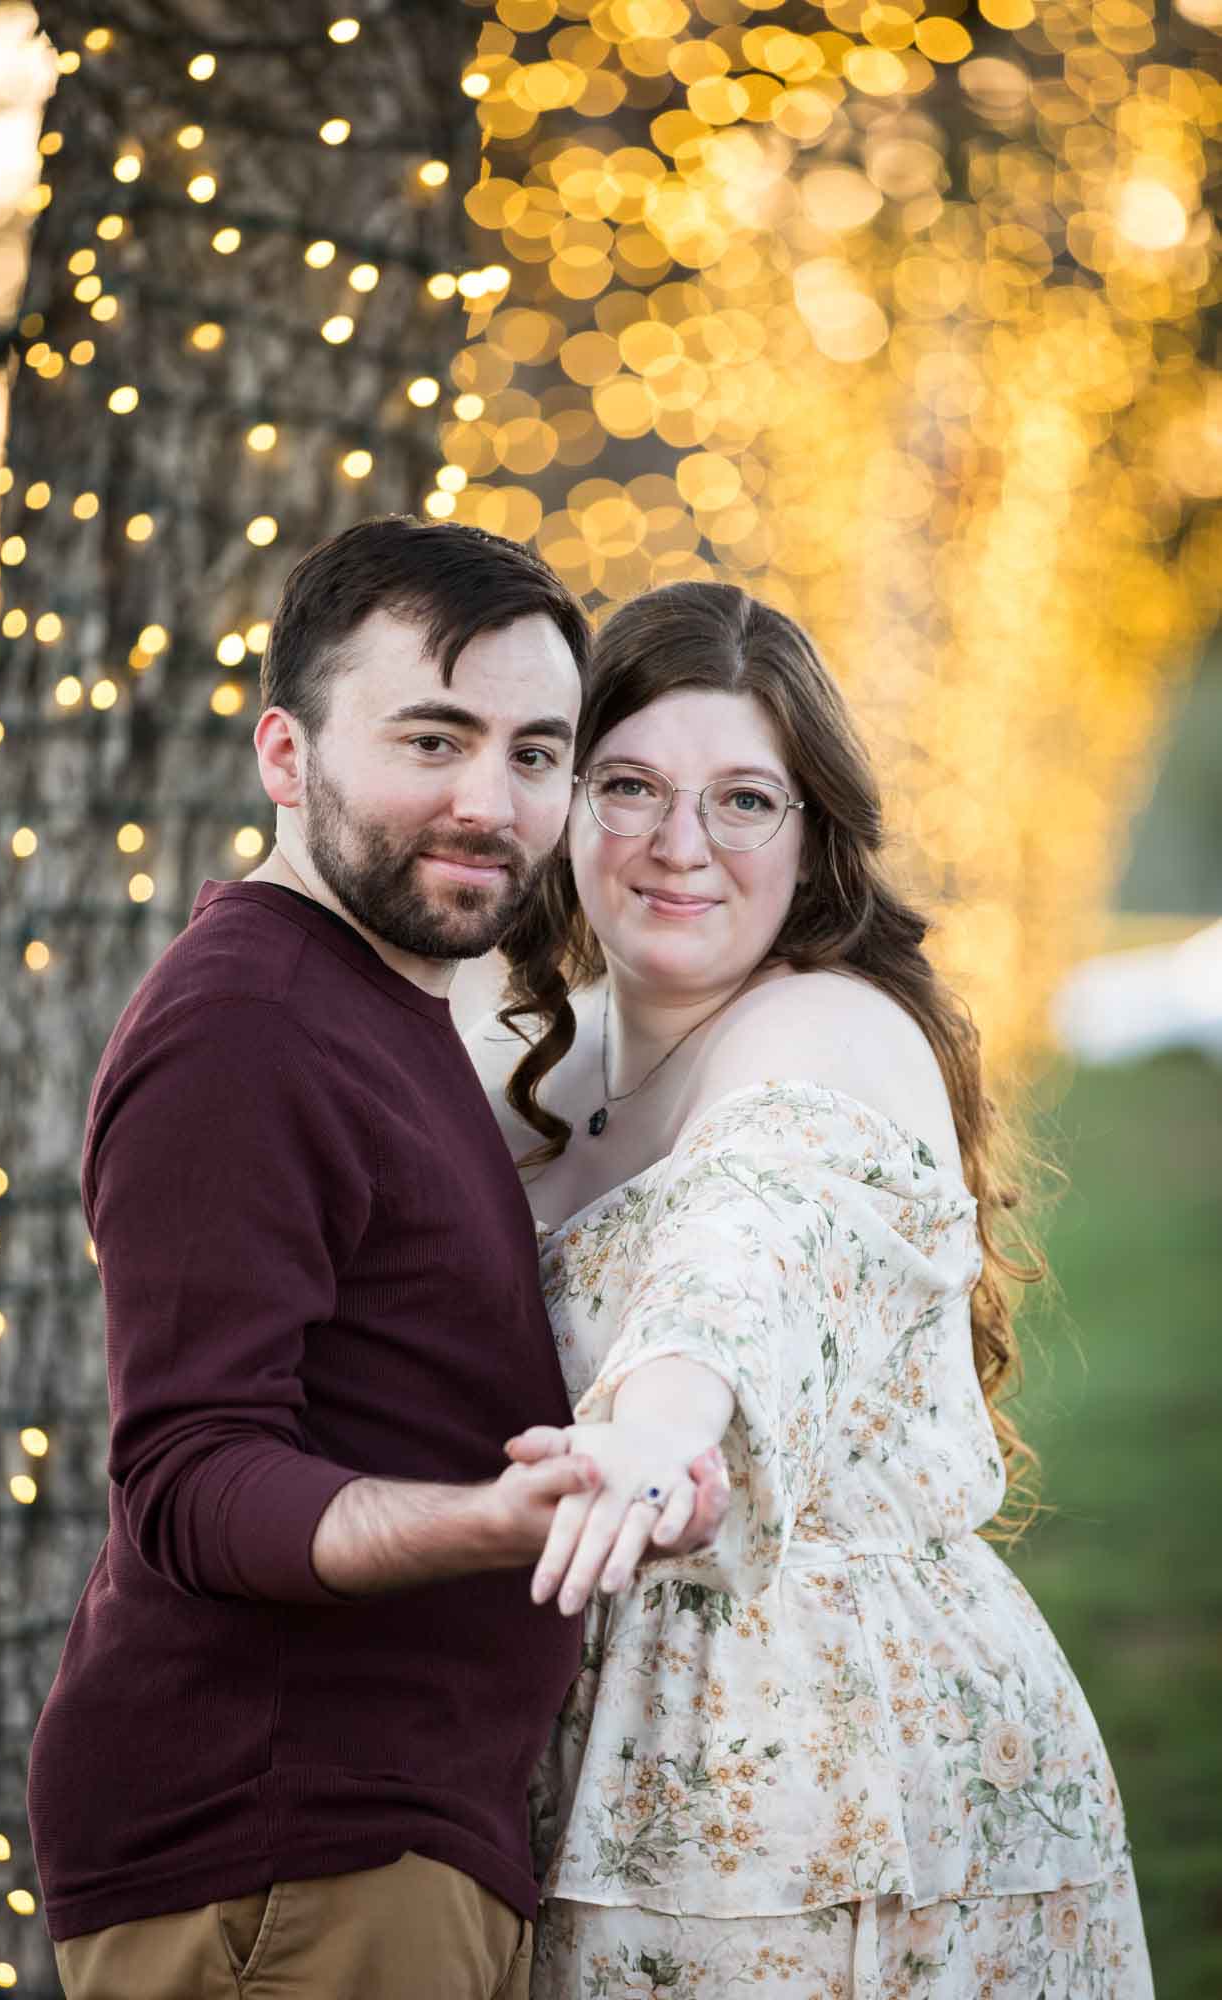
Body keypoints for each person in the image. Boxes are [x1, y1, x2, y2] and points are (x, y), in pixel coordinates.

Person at [26, 517, 729, 2000]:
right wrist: (493, 1519)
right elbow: (194, 1480)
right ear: (284, 755)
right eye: (433, 737)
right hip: (281, 1863)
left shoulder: (377, 1008)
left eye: (537, 754)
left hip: (366, 1853)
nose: (490, 802)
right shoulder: (249, 1028)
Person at [468, 581, 1153, 1998]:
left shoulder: (827, 1029)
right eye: (629, 786)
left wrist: (658, 1428)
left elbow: (747, 1251)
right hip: (570, 1747)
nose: (677, 846)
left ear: (812, 837)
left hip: (822, 1780)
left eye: (742, 801)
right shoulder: (541, 1061)